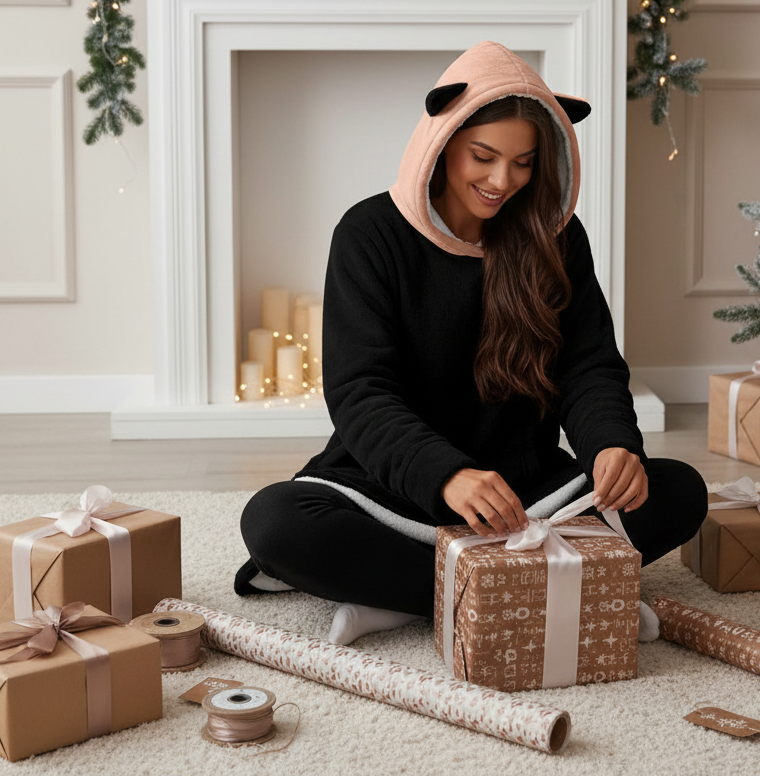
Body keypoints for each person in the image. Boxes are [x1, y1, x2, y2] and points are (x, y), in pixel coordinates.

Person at [235, 41, 708, 644]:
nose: (501, 180)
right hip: (397, 487)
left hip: (524, 494)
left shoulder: (556, 238)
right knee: (277, 525)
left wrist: (611, 445)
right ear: (443, 139)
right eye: (483, 156)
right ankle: (563, 585)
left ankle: (420, 596)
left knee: (680, 490)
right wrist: (447, 475)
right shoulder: (368, 234)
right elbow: (361, 392)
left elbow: (588, 365)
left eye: (523, 162)